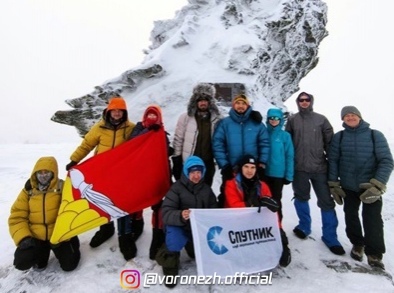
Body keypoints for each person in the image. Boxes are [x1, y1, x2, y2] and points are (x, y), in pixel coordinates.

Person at [65, 96, 136, 260]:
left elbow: (141, 143)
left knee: (122, 205)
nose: (117, 113)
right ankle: (105, 229)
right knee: (102, 202)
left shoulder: (131, 128)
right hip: (101, 173)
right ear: (109, 111)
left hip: (121, 175)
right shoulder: (100, 127)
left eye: (120, 111)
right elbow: (87, 145)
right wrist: (74, 160)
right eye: (114, 110)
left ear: (124, 112)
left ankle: (125, 237)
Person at [328, 106, 393, 269]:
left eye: (353, 115)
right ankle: (358, 244)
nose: (350, 117)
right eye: (346, 116)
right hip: (348, 186)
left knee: (373, 220)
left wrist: (378, 184)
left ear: (359, 117)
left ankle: (374, 255)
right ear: (342, 119)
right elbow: (333, 160)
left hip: (370, 186)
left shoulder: (374, 135)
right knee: (351, 216)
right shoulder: (339, 137)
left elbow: (386, 161)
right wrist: (333, 183)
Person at [285, 92, 345, 255]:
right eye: (301, 100)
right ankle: (304, 226)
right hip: (300, 169)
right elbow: (287, 145)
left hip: (320, 168)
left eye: (307, 100)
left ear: (311, 101)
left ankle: (330, 237)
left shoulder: (321, 119)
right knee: (301, 197)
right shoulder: (292, 120)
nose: (304, 102)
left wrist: (333, 168)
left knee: (326, 202)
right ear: (298, 102)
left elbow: (331, 145)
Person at [8, 156, 80, 272]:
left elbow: (73, 212)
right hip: (37, 237)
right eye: (39, 172)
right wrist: (23, 238)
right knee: (23, 262)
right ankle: (41, 253)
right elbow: (17, 216)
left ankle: (71, 244)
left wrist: (65, 236)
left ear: (53, 173)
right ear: (35, 174)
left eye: (46, 172)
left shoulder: (63, 187)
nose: (43, 175)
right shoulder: (29, 190)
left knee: (69, 265)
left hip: (58, 236)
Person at [156, 156, 218, 288]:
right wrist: (180, 215)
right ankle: (170, 263)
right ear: (186, 172)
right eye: (192, 172)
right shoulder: (176, 189)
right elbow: (166, 213)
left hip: (197, 228)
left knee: (202, 246)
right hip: (180, 226)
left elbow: (214, 210)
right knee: (174, 241)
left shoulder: (206, 190)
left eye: (198, 172)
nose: (196, 176)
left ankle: (192, 246)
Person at [224, 154, 291, 267]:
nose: (249, 170)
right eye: (246, 167)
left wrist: (281, 235)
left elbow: (272, 214)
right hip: (237, 225)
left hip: (257, 225)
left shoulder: (262, 186)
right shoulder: (231, 184)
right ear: (241, 168)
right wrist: (251, 204)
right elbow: (233, 207)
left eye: (252, 167)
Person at [128, 104, 174, 260]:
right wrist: (149, 131)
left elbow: (164, 154)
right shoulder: (139, 128)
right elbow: (132, 143)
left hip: (156, 174)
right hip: (139, 174)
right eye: (150, 115)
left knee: (159, 204)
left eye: (155, 116)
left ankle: (158, 234)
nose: (152, 118)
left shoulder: (162, 132)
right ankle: (136, 225)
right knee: (136, 201)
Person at [212, 94, 270, 205]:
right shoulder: (225, 123)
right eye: (238, 103)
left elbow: (264, 143)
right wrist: (224, 165)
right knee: (227, 196)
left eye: (243, 103)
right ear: (233, 105)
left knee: (251, 195)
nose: (240, 106)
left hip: (251, 168)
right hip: (231, 168)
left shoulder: (257, 124)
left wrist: (262, 163)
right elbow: (218, 144)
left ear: (247, 106)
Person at [172, 83, 221, 186]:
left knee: (205, 192)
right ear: (195, 102)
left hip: (207, 163)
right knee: (187, 193)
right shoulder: (185, 118)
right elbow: (178, 139)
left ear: (210, 102)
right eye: (200, 100)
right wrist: (177, 160)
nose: (203, 103)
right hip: (189, 162)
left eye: (205, 100)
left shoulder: (216, 120)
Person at [264, 108, 294, 265]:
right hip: (263, 174)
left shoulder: (284, 136)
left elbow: (290, 155)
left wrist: (289, 174)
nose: (274, 120)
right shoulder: (264, 133)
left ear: (280, 120)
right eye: (271, 118)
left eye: (276, 118)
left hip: (277, 175)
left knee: (276, 202)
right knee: (263, 201)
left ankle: (278, 227)